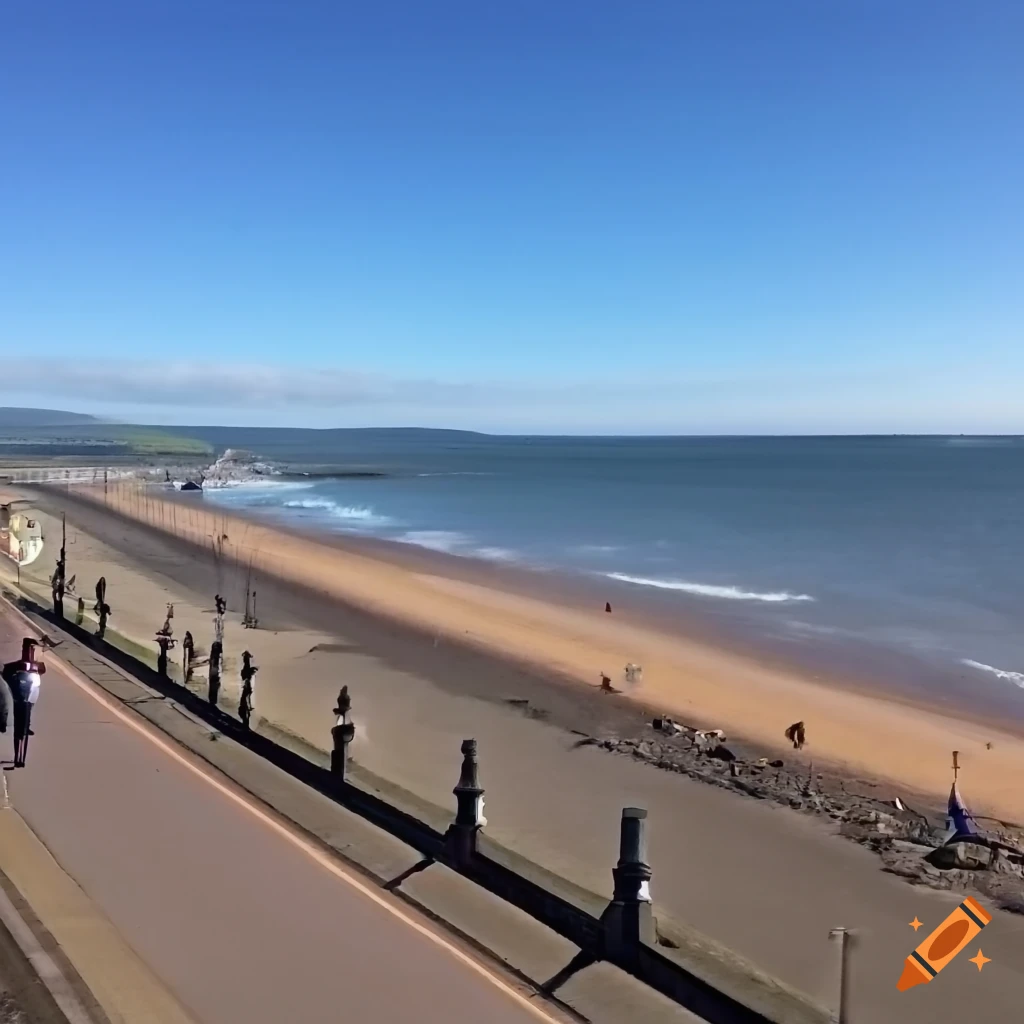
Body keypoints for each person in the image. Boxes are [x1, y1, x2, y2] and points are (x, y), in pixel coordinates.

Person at [1, 639, 45, 768]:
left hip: (28, 690)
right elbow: (6, 673)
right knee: (6, 702)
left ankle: (27, 725)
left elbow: (42, 670)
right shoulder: (14, 666)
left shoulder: (34, 665)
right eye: (30, 647)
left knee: (32, 701)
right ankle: (3, 721)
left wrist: (39, 669)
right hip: (16, 689)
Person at [238, 650, 258, 729]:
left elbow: (247, 696)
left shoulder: (247, 686)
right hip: (247, 682)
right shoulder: (247, 687)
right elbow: (247, 697)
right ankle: (246, 656)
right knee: (246, 666)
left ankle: (246, 656)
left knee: (246, 666)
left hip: (246, 681)